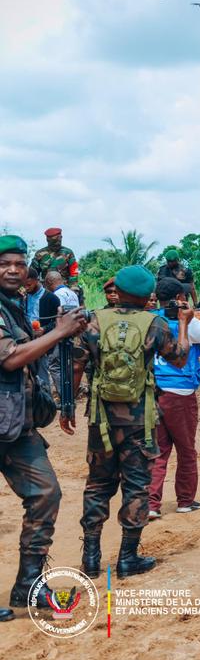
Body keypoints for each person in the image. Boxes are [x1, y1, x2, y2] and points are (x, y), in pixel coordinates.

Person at [70, 265, 191, 580]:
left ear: (117, 291)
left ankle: (91, 558)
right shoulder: (154, 323)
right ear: (147, 295)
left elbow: (76, 365)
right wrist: (182, 323)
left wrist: (67, 407)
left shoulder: (94, 321)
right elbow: (179, 358)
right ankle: (127, 558)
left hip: (101, 419)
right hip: (140, 421)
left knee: (97, 485)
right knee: (137, 486)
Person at [0, 235, 87, 622]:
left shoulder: (15, 305)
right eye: (5, 264)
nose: (14, 270)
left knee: (46, 492)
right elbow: (10, 358)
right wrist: (59, 333)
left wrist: (57, 332)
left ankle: (29, 584)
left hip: (15, 424)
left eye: (19, 264)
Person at [148, 278, 200, 519]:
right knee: (186, 449)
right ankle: (185, 500)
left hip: (154, 390)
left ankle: (151, 504)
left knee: (158, 451)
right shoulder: (189, 323)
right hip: (180, 393)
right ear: (181, 298)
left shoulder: (150, 319)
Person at [30, 227, 79, 294]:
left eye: (60, 240)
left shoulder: (68, 253)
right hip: (45, 291)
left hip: (65, 290)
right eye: (55, 241)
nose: (58, 243)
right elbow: (32, 274)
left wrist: (73, 289)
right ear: (48, 240)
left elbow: (74, 273)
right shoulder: (40, 254)